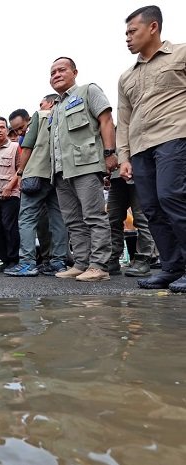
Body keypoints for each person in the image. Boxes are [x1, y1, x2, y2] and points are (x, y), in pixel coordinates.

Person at [118, 5, 186, 292]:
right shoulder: (126, 76)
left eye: (132, 31)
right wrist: (123, 156)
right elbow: (123, 118)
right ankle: (171, 268)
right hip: (140, 148)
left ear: (153, 27)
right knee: (151, 209)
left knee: (172, 197)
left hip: (175, 136)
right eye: (126, 33)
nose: (127, 38)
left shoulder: (181, 54)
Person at [49, 57, 117, 282]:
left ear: (75, 72)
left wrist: (109, 154)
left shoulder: (88, 91)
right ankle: (81, 263)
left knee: (94, 216)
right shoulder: (55, 107)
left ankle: (99, 266)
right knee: (73, 220)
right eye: (53, 73)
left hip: (86, 165)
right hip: (61, 171)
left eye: (61, 70)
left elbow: (106, 120)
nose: (56, 75)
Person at [5, 95, 70, 277]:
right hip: (56, 174)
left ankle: (27, 263)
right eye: (16, 130)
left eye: (21, 128)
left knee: (26, 219)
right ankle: (58, 263)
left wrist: (19, 173)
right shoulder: (59, 115)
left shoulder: (38, 116)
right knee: (58, 220)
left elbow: (27, 148)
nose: (20, 133)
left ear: (29, 120)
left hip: (35, 174)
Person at [0, 117, 21, 271]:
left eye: (2, 127)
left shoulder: (15, 146)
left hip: (10, 194)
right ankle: (5, 261)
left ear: (7, 130)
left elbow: (21, 169)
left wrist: (10, 187)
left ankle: (14, 260)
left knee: (10, 227)